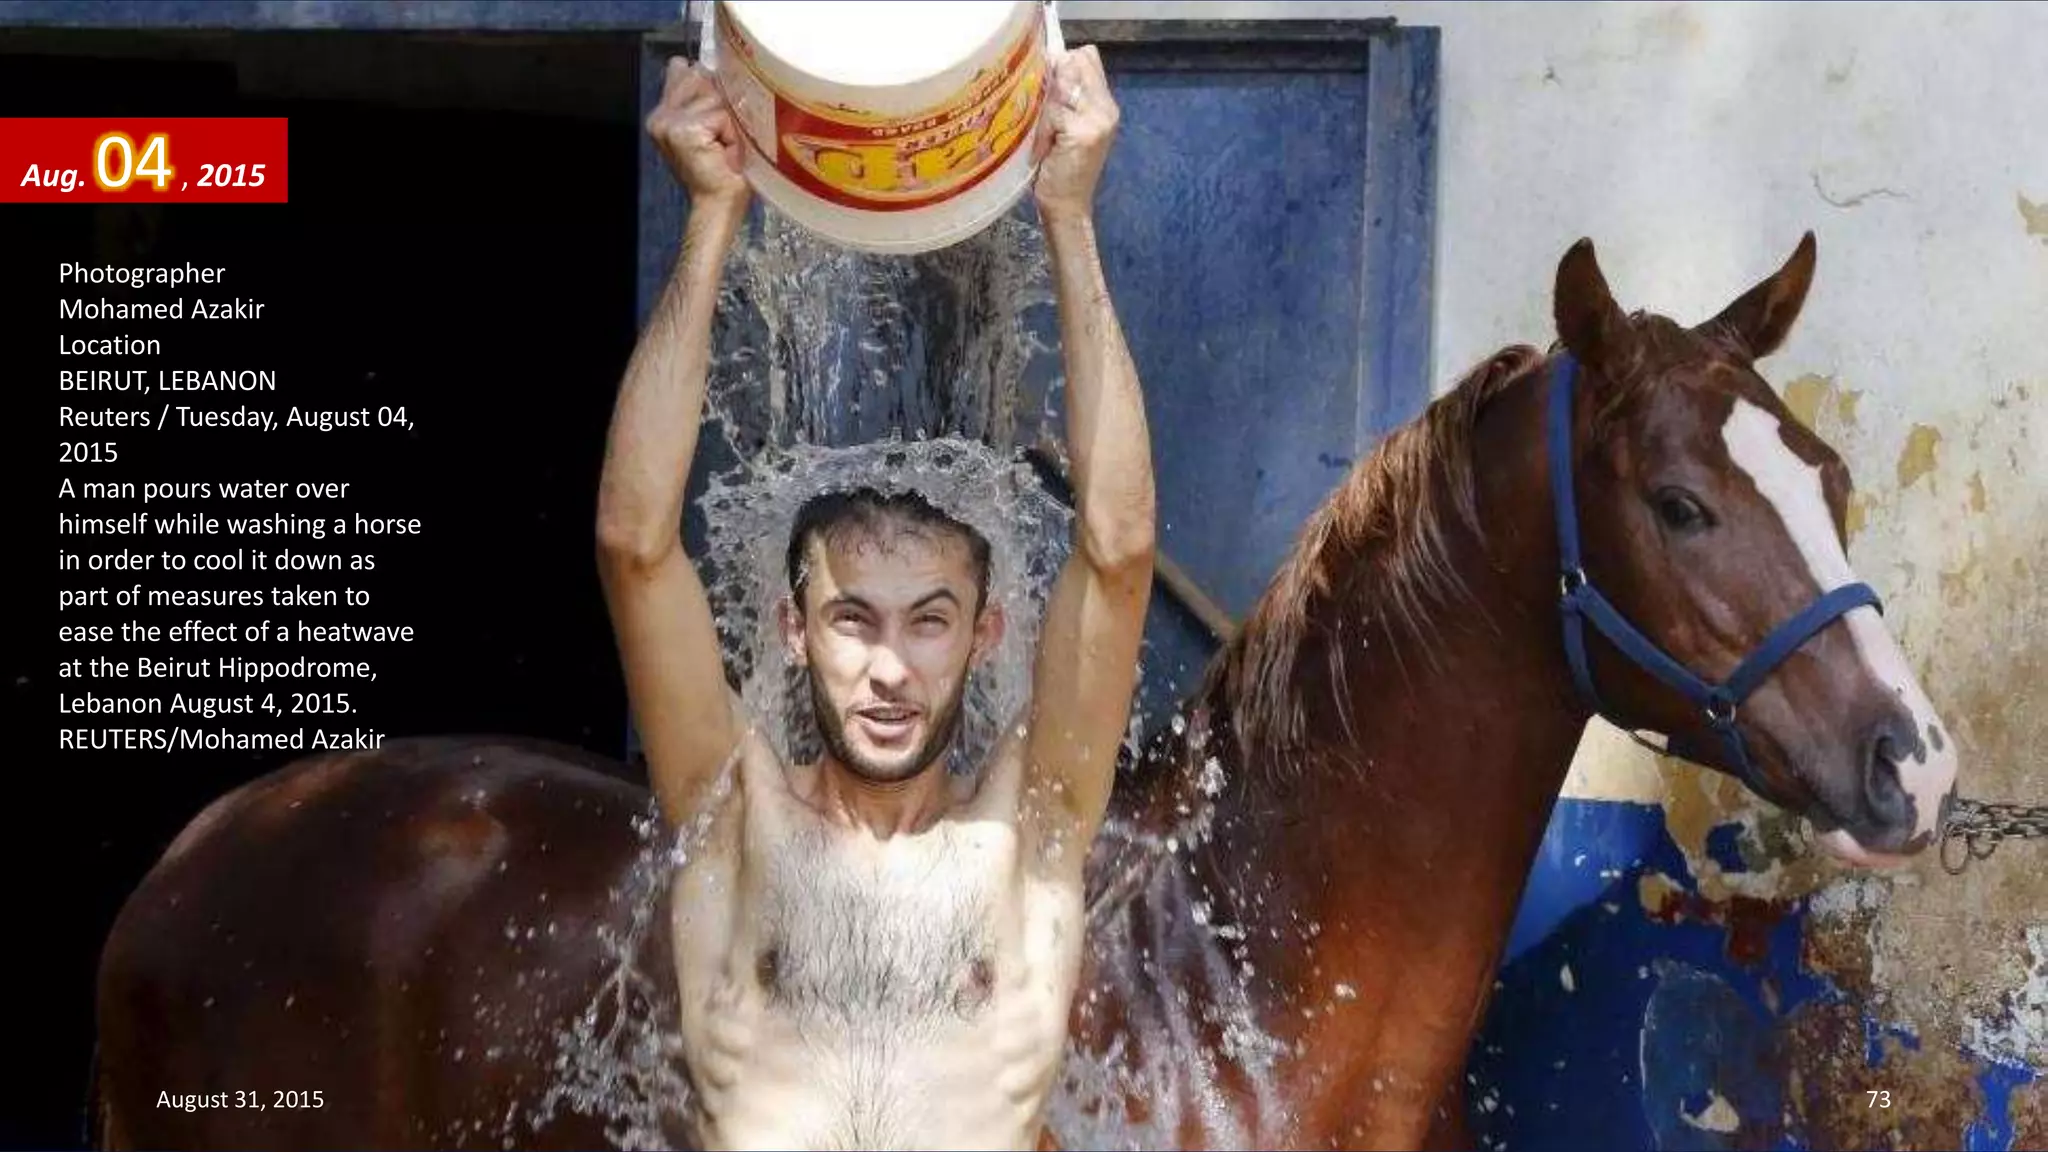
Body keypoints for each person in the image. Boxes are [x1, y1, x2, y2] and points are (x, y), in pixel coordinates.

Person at [595, 46, 1155, 1151]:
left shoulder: (1028, 834)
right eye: (852, 619)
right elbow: (633, 545)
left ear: (985, 635)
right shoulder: (734, 817)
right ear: (792, 632)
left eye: (928, 620)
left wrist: (1070, 218)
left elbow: (1119, 549)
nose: (889, 668)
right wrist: (711, 219)